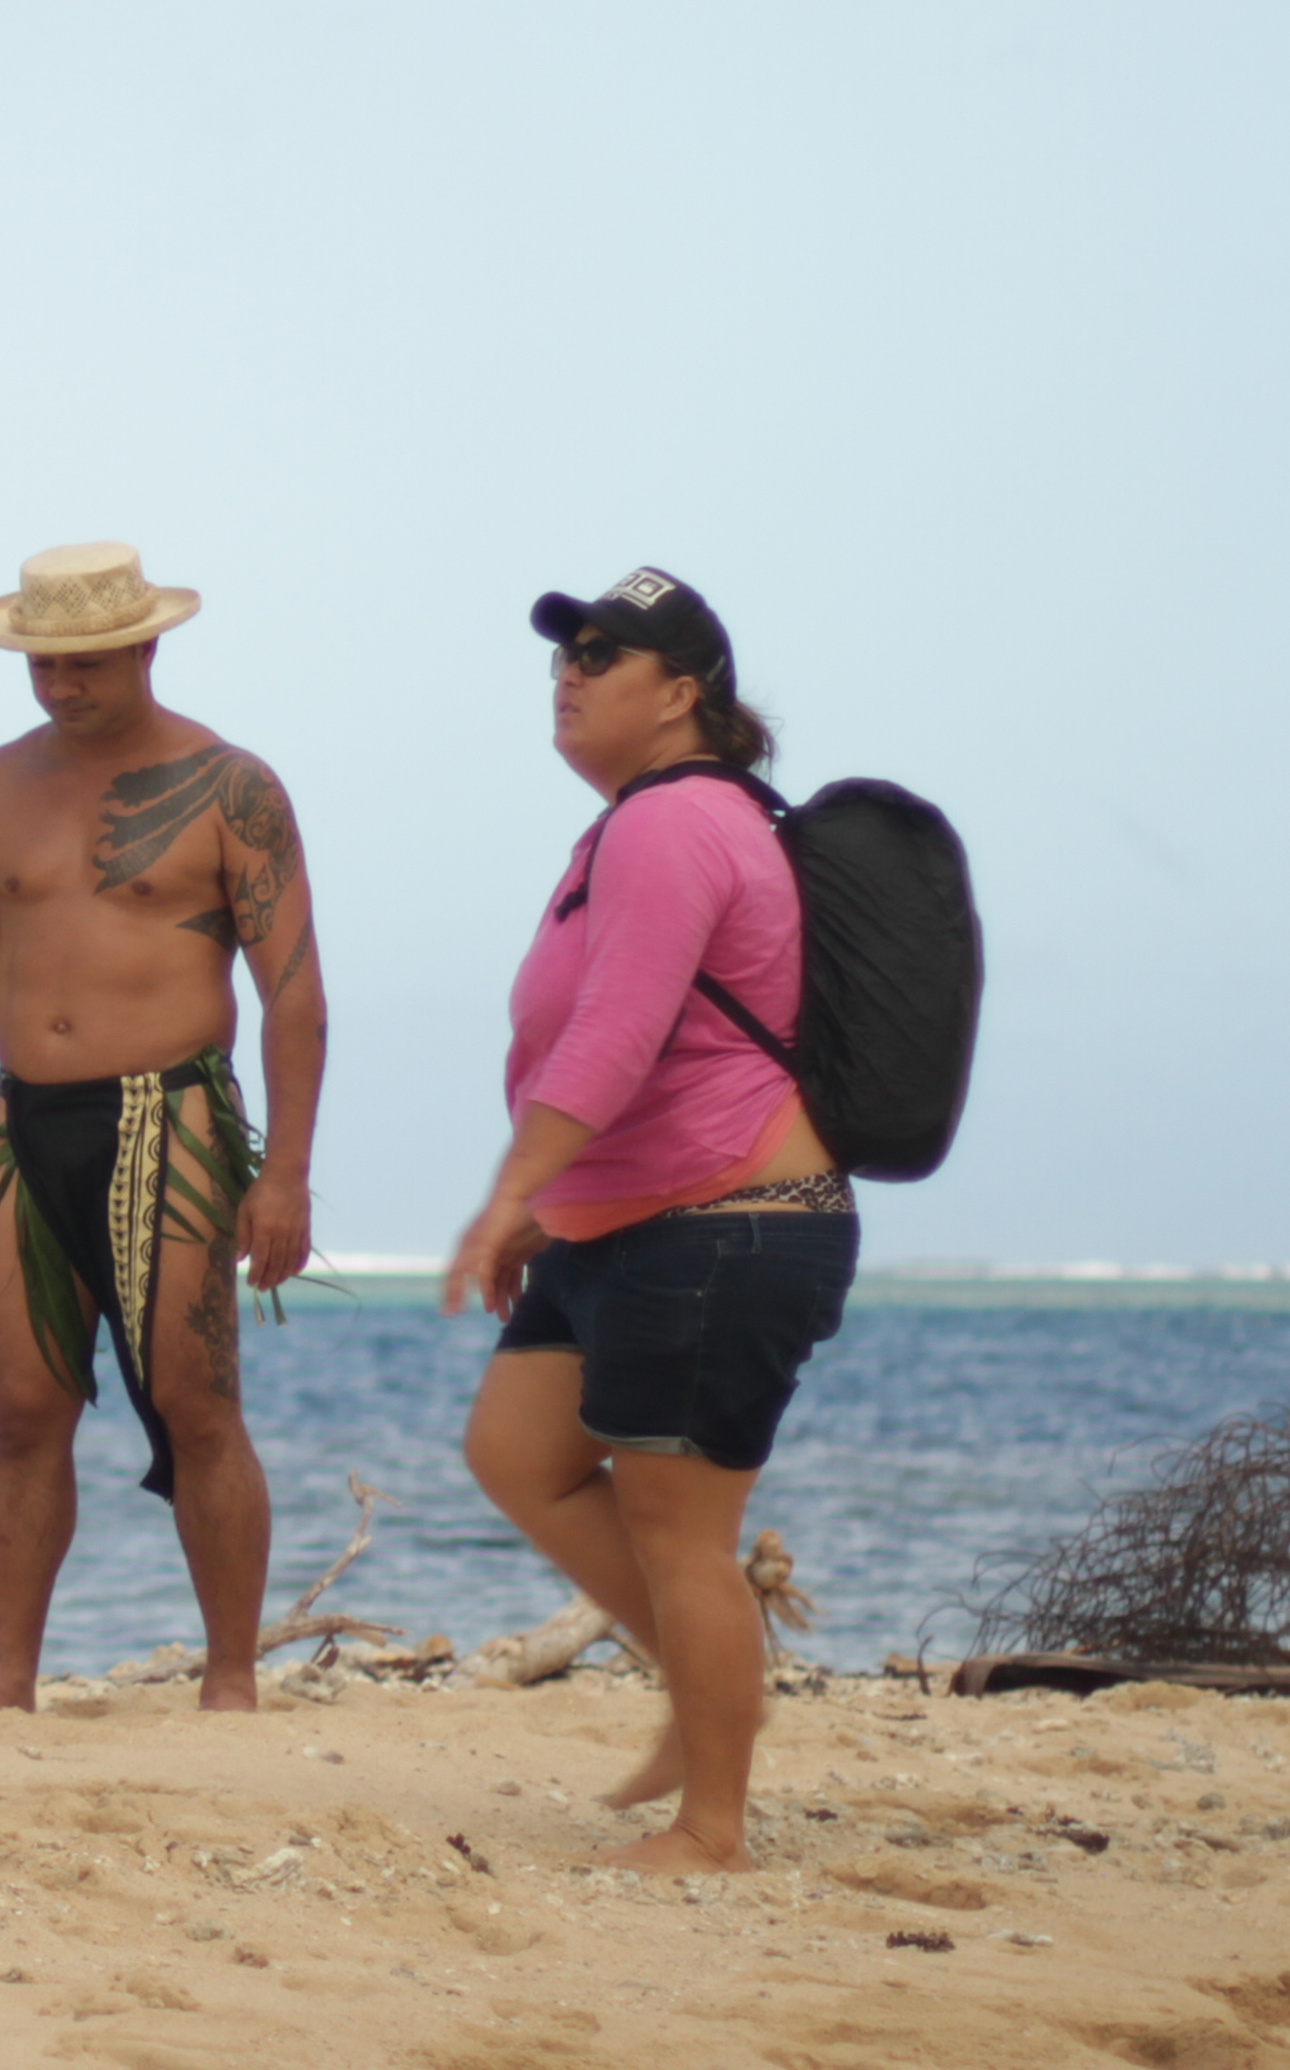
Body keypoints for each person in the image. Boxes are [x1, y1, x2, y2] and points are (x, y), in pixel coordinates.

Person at [442, 564, 853, 1876]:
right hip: (623, 1221)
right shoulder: (634, 822)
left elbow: (620, 1039)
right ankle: (705, 1684)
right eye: (562, 655)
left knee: (685, 1535)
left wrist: (506, 1195)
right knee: (519, 1449)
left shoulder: (679, 823)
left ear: (684, 695)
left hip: (728, 1219)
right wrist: (547, 1211)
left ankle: (713, 1828)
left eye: (601, 657)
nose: (568, 674)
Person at [0, 541, 323, 1716]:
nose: (58, 685)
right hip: (20, 1124)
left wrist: (283, 1172)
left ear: (140, 645)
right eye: (40, 663)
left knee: (195, 1401)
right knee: (22, 1411)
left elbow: (292, 991)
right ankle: (3, 1679)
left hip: (167, 1113)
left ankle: (229, 1678)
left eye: (82, 663)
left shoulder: (230, 785)